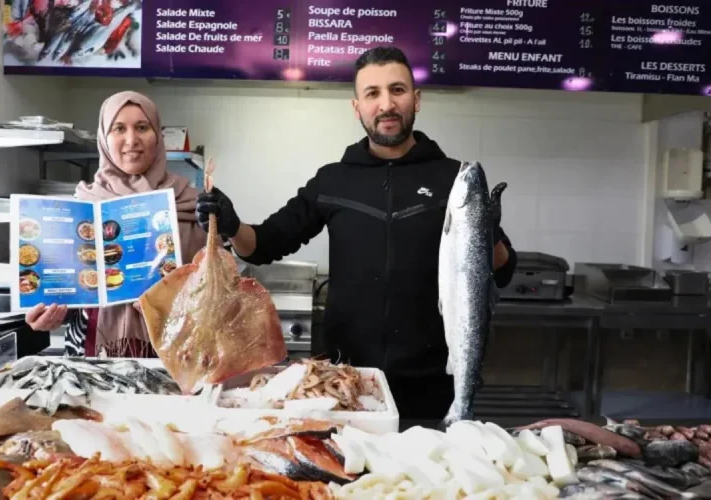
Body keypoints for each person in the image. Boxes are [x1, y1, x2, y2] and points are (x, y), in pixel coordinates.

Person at [195, 46, 518, 419]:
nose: (386, 104)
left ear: (416, 99)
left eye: (397, 90)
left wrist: (485, 231)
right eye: (372, 94)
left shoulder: (456, 179)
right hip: (347, 383)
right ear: (357, 107)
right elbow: (265, 244)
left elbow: (504, 270)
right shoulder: (333, 179)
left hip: (432, 384)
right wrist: (233, 226)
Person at [25, 91, 207, 358]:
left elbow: (214, 295)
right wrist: (45, 315)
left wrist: (174, 302)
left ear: (157, 135)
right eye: (119, 128)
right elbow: (68, 290)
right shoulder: (80, 208)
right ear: (104, 138)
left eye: (142, 128)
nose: (131, 140)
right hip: (93, 360)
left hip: (177, 357)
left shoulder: (192, 205)